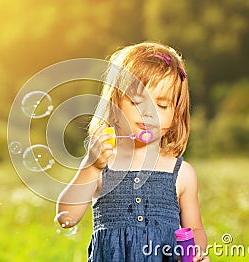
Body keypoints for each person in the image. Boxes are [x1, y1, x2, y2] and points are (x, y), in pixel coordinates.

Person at [56, 41, 209, 261]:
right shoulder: (102, 164)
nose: (149, 113)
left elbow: (195, 230)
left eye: (162, 105)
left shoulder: (182, 174)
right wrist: (91, 166)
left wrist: (196, 252)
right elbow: (66, 217)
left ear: (176, 116)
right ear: (115, 102)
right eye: (137, 101)